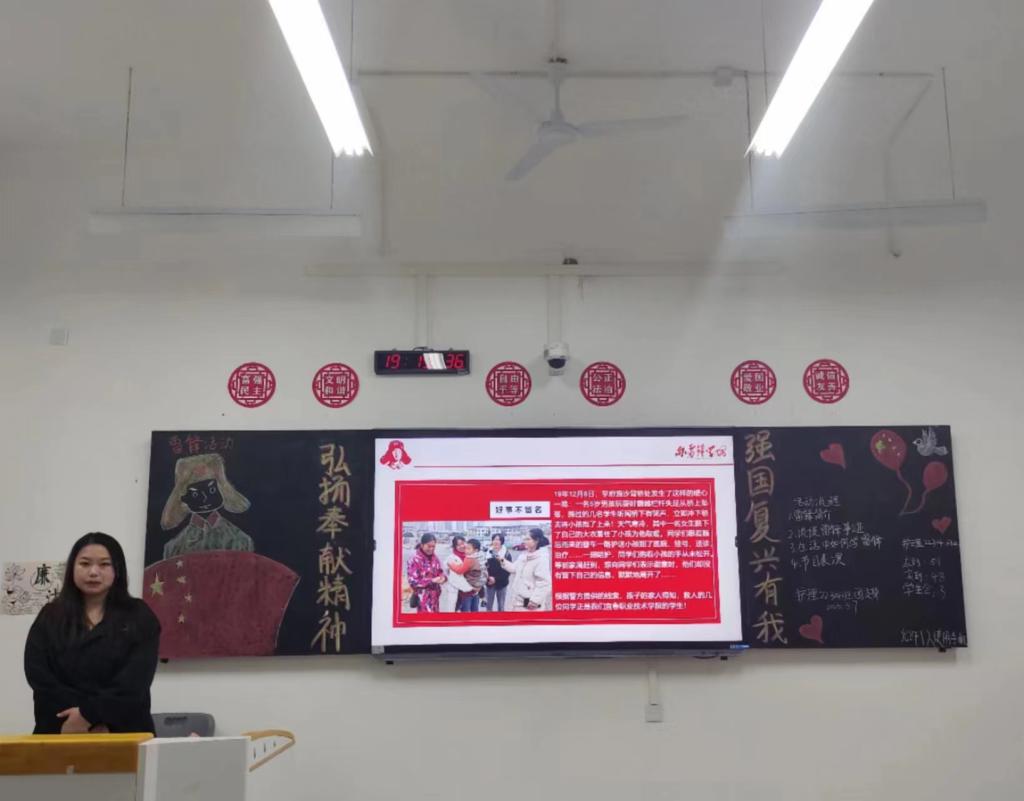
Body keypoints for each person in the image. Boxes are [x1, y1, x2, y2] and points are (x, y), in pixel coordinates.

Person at [24, 532, 161, 734]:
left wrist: (91, 715)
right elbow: (38, 675)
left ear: (118, 569)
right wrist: (78, 718)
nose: (93, 572)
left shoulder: (139, 615)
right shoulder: (51, 615)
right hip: (61, 726)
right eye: (85, 564)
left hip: (122, 730)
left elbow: (135, 680)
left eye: (104, 564)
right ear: (72, 568)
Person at [160, 453, 253, 559]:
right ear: (184, 498)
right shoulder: (174, 547)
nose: (204, 498)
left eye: (211, 490)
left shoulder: (240, 540)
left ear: (222, 490)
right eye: (195, 494)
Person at [500, 528, 552, 611]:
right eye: (524, 539)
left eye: (528, 539)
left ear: (536, 541)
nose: (524, 541)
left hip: (530, 603)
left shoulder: (541, 558)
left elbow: (544, 583)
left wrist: (535, 601)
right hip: (517, 600)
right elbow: (513, 568)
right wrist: (502, 560)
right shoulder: (523, 556)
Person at [406, 534, 446, 612]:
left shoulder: (435, 558)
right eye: (429, 546)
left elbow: (440, 571)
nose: (431, 549)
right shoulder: (414, 559)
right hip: (422, 600)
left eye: (433, 546)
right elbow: (413, 581)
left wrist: (443, 578)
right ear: (422, 545)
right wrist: (431, 581)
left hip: (435, 598)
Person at [440, 535, 472, 613]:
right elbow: (444, 572)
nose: (461, 546)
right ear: (455, 546)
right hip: (456, 590)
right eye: (458, 545)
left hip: (469, 590)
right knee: (454, 610)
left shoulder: (470, 555)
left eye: (462, 543)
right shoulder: (450, 558)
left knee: (469, 611)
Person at [457, 539, 488, 612]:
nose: (466, 550)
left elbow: (484, 572)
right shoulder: (467, 558)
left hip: (474, 590)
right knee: (467, 610)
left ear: (476, 550)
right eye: (466, 548)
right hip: (468, 592)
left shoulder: (473, 558)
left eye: (468, 549)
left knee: (473, 610)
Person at [484, 534, 511, 611]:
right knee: (488, 606)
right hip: (489, 583)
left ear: (501, 541)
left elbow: (507, 570)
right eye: (494, 539)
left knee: (501, 606)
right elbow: (484, 567)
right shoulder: (488, 552)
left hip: (502, 583)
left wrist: (495, 579)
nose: (496, 541)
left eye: (498, 539)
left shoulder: (506, 554)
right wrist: (488, 578)